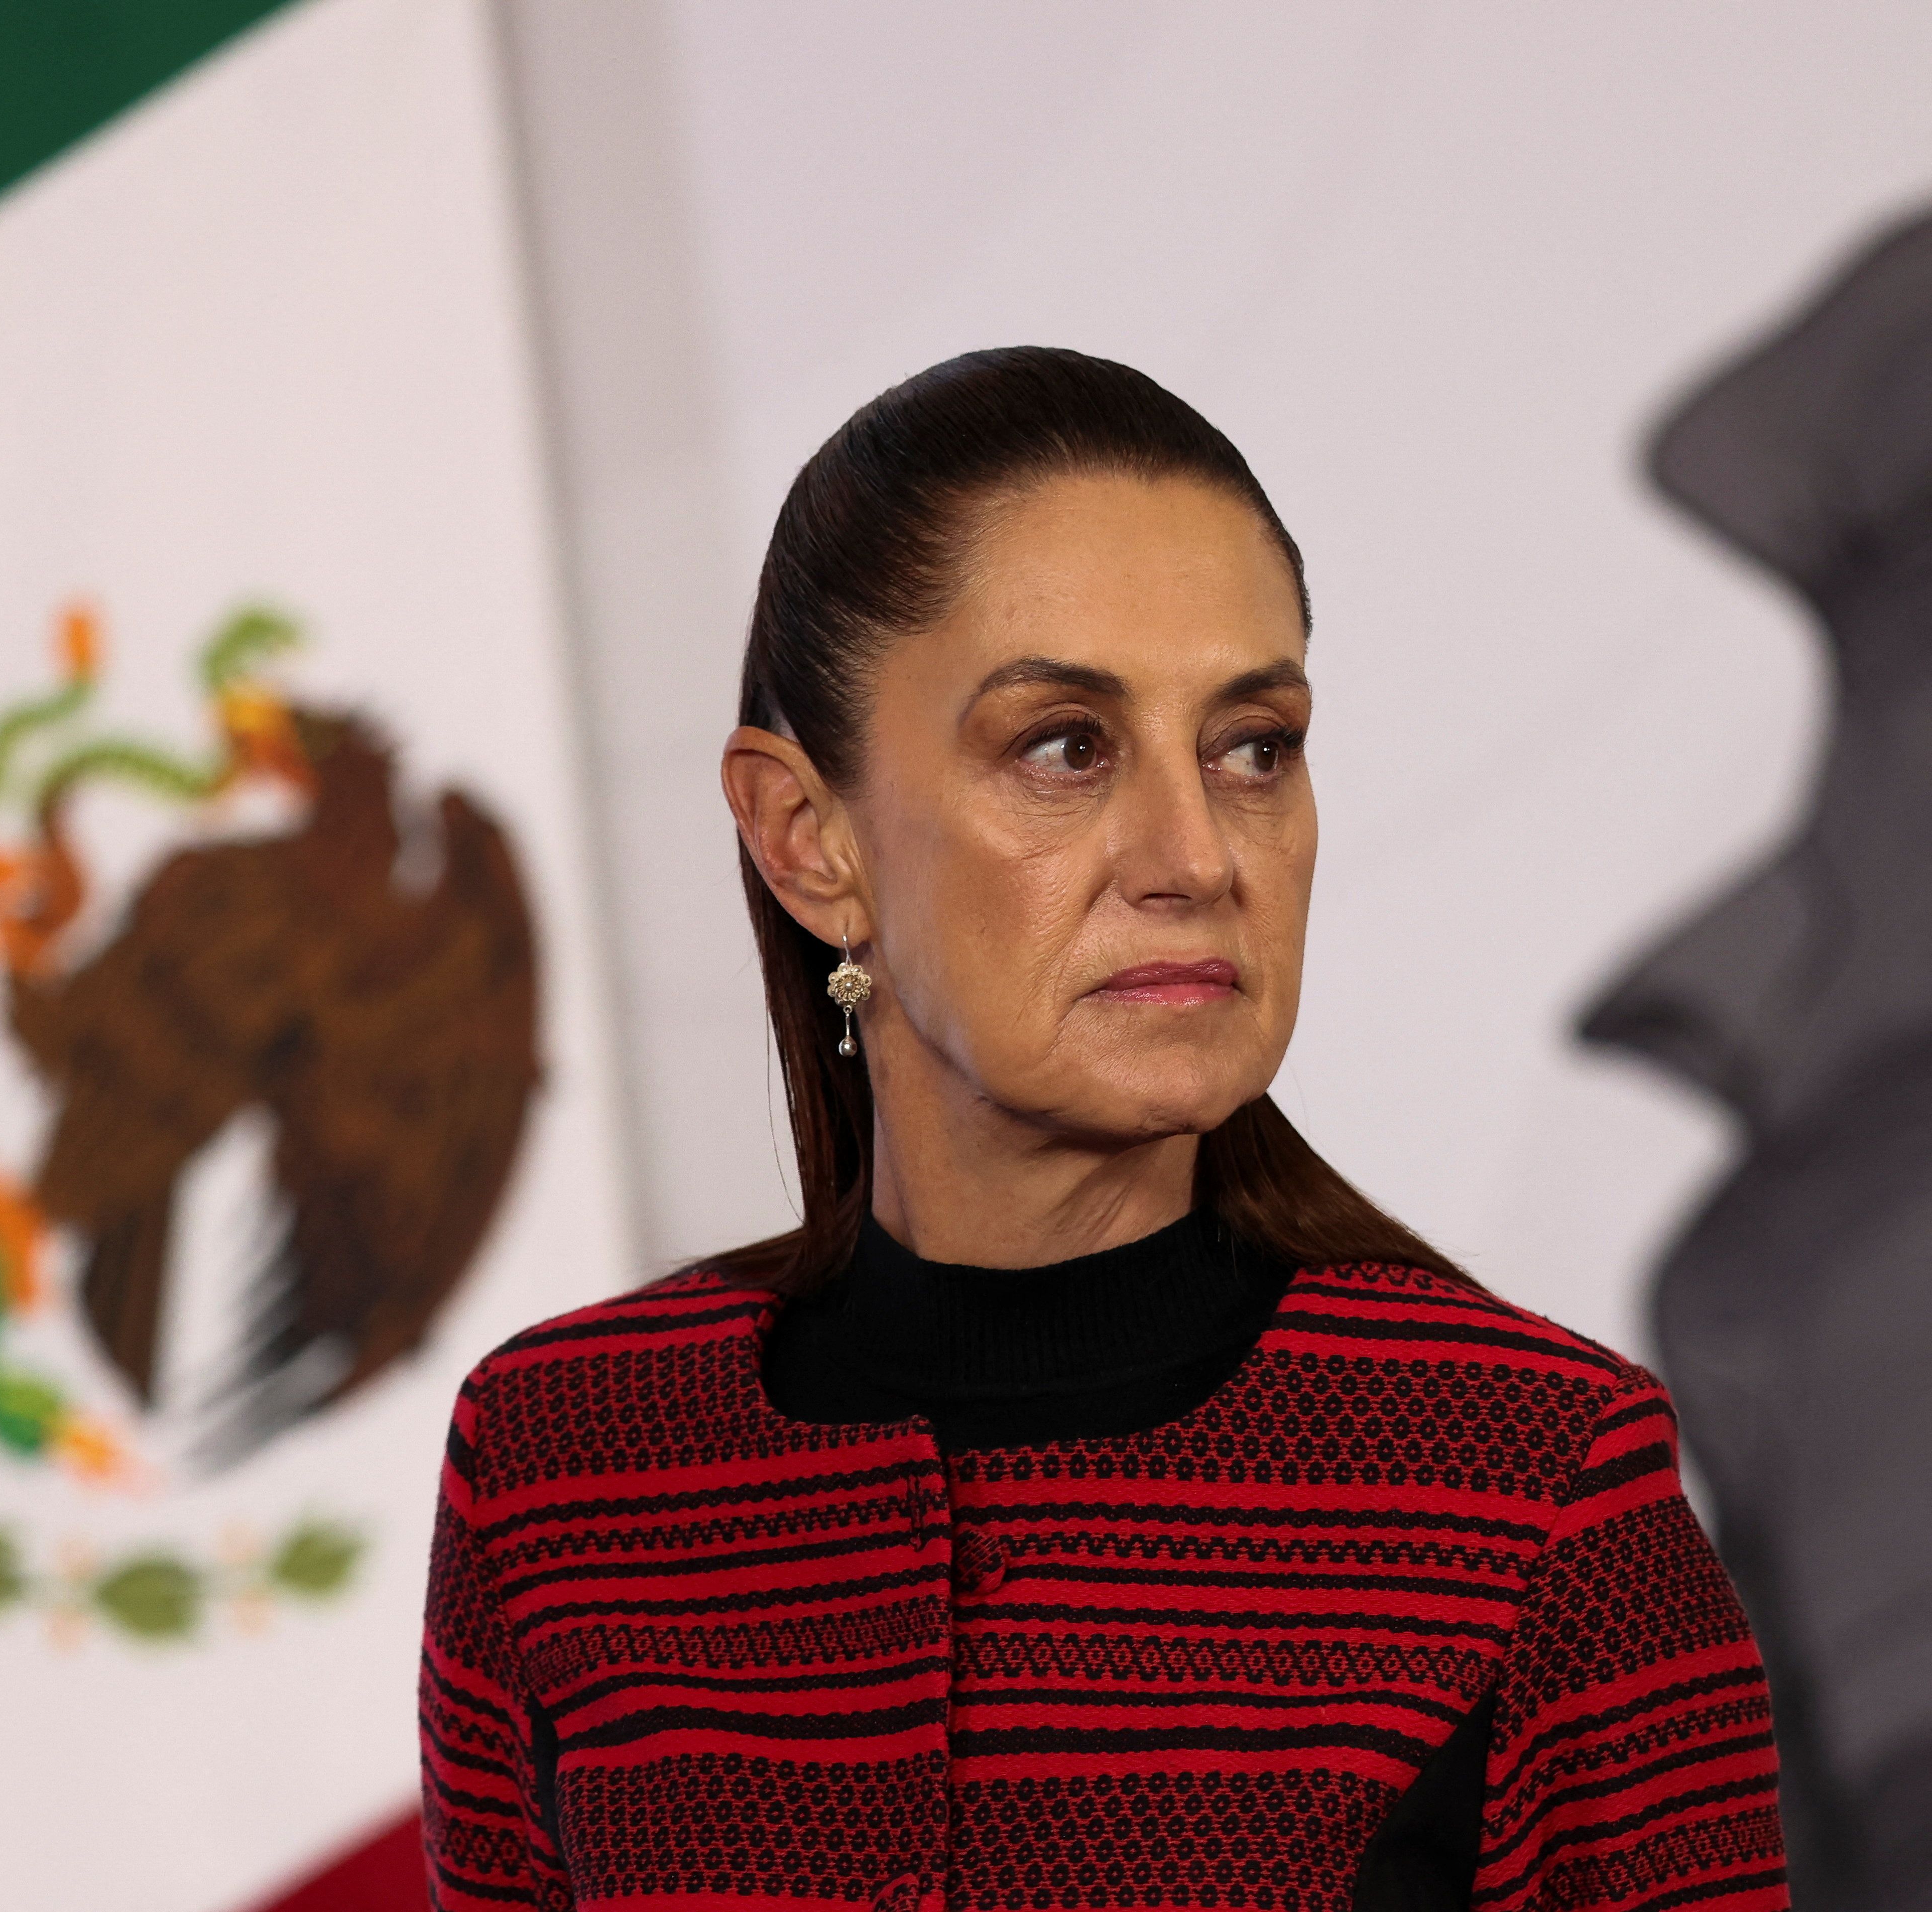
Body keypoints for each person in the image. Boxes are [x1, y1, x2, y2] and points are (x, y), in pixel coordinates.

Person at [418, 348, 1788, 1910]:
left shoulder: (1538, 1489)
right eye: (1065, 746)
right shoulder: (563, 1471)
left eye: (1253, 745)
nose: (1197, 853)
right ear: (808, 843)